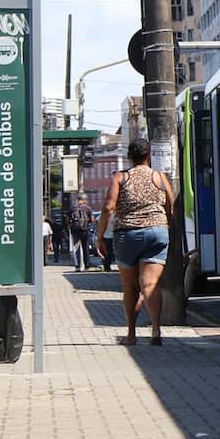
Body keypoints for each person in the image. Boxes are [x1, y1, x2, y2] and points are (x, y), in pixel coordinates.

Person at [98, 139, 174, 346]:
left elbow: (107, 209)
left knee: (131, 287)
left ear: (130, 157)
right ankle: (156, 330)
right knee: (150, 284)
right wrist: (163, 223)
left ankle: (131, 335)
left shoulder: (121, 177)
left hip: (127, 235)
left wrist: (100, 236)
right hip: (157, 233)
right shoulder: (160, 177)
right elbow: (171, 206)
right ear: (149, 156)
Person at [69, 193, 94, 272]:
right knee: (85, 247)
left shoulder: (73, 208)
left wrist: (70, 226)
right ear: (84, 200)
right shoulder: (88, 208)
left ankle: (77, 266)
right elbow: (92, 220)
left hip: (75, 230)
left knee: (76, 247)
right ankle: (87, 266)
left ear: (78, 200)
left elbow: (67, 219)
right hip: (85, 230)